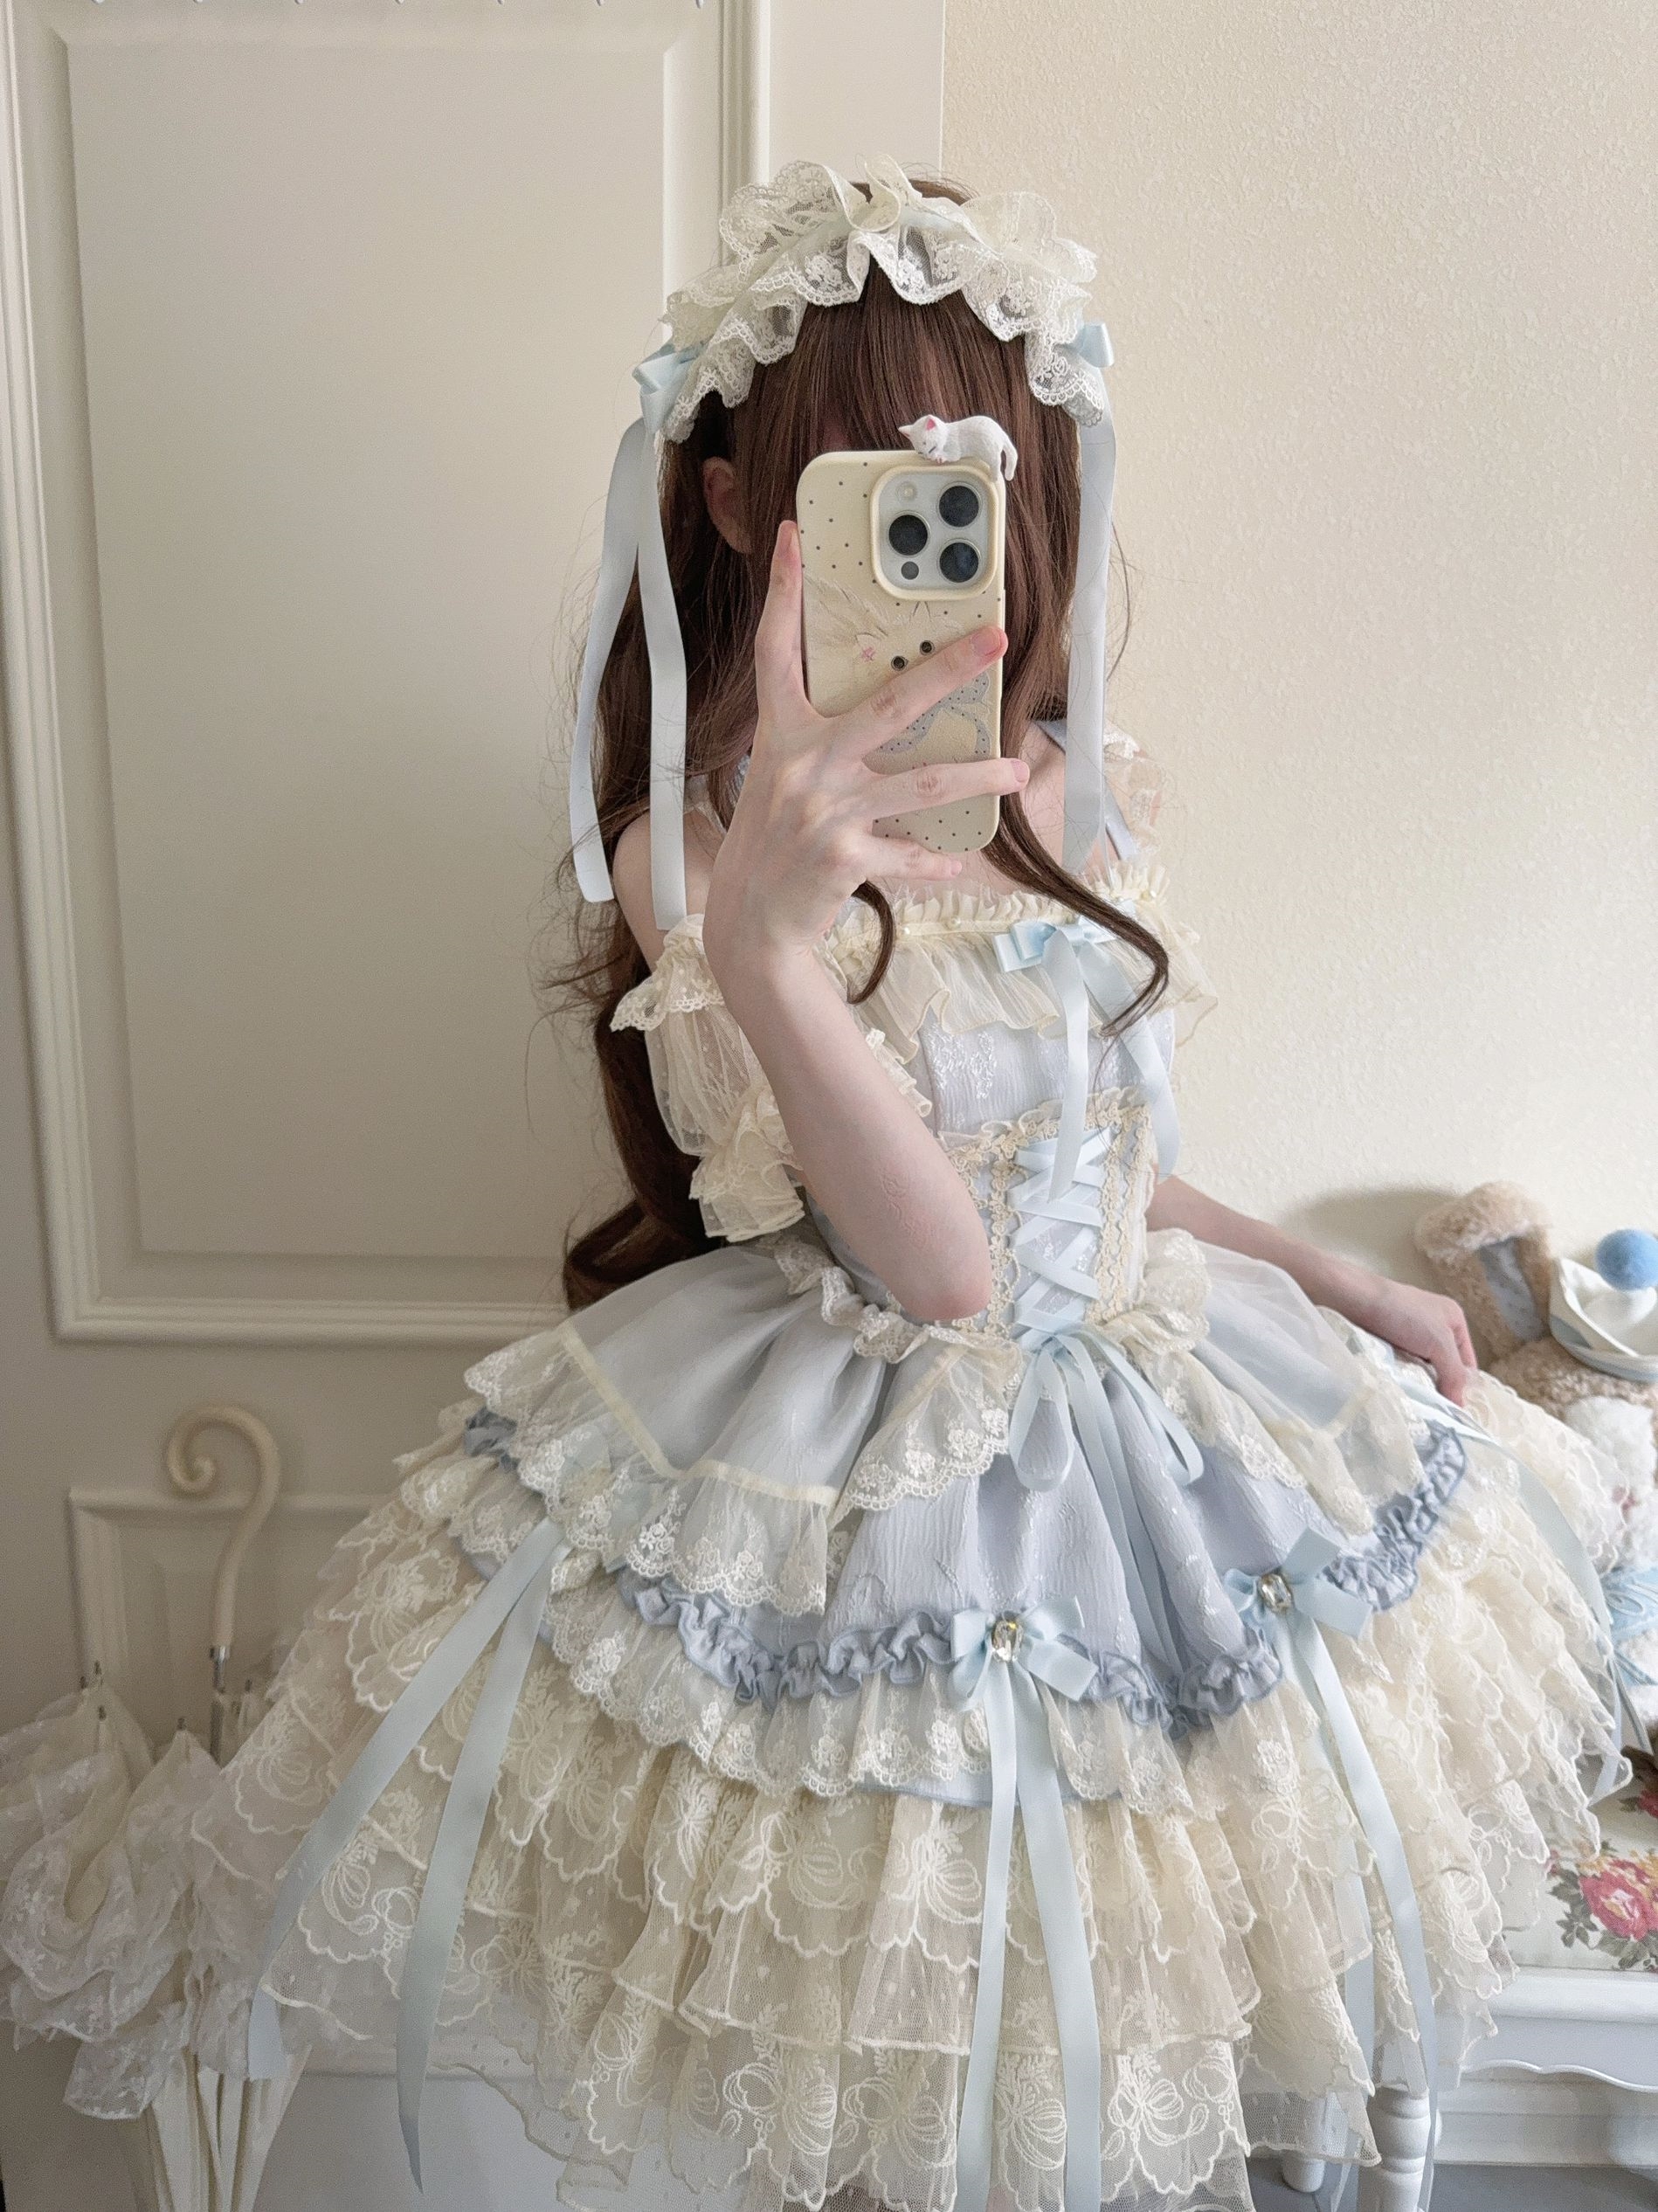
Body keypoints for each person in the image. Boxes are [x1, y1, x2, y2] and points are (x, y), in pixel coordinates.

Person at [190, 162, 1624, 2212]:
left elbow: (1113, 1167)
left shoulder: (1078, 789)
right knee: (914, 2074)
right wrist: (770, 953)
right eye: (875, 487)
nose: (947, 533)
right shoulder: (696, 852)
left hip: (1167, 1444)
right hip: (881, 1495)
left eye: (980, 476)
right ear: (731, 509)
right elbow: (946, 1283)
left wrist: (1339, 1283)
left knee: (1137, 2026)